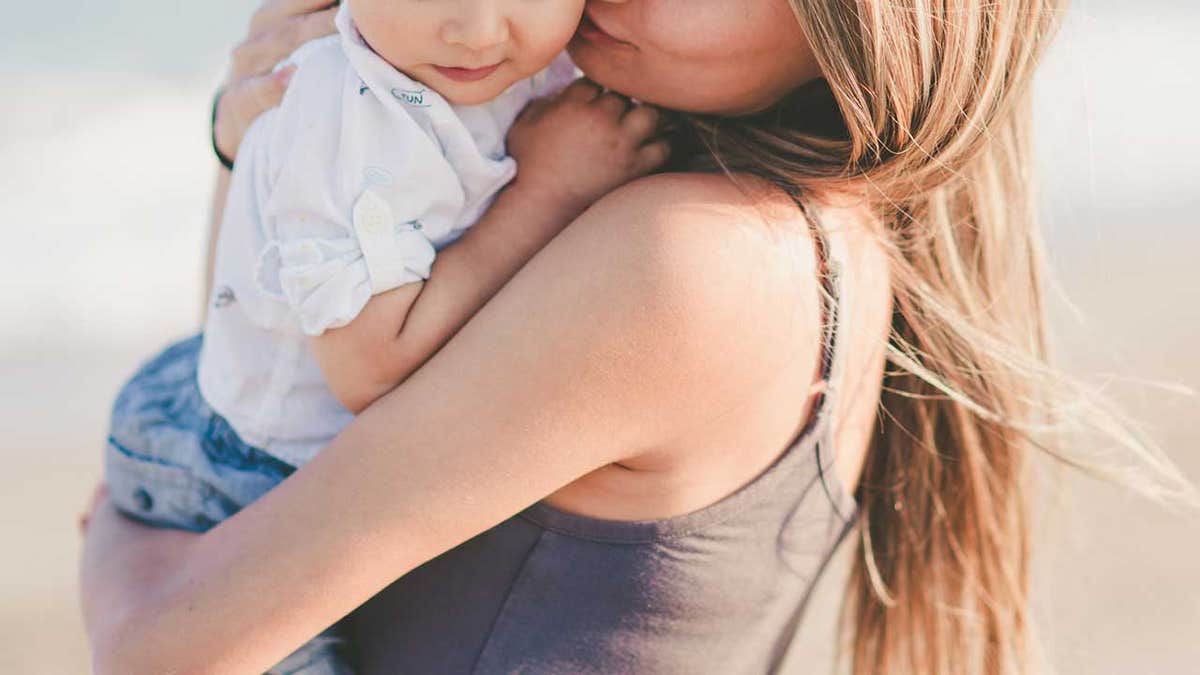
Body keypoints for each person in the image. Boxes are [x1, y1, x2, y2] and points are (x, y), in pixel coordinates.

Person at [79, 0, 1192, 673]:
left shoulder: (691, 260)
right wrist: (275, 139)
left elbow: (164, 649)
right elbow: (272, 396)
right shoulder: (716, 194)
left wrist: (119, 528)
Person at [97, 1, 669, 672]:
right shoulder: (350, 111)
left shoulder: (532, 59)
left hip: (277, 410)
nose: (479, 30)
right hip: (239, 469)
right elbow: (371, 368)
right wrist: (545, 190)